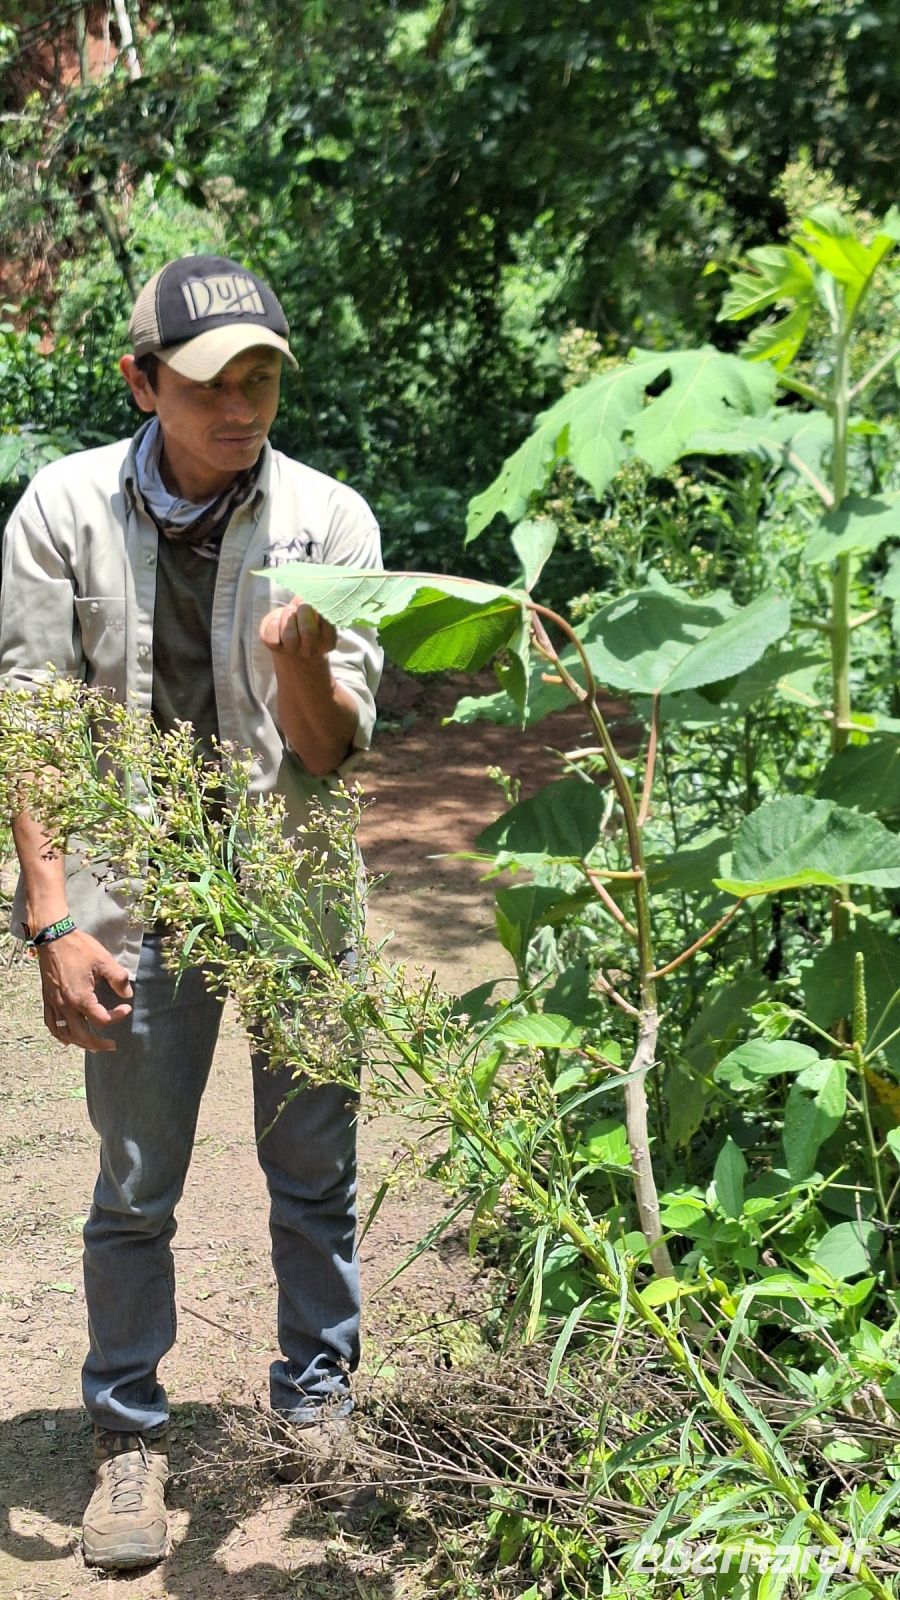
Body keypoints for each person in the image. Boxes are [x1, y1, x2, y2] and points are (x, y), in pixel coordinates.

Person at [0, 255, 383, 1571]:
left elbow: (334, 757)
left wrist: (306, 664)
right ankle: (126, 1437)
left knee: (316, 1174)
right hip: (131, 894)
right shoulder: (59, 510)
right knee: (131, 1183)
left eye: (264, 377)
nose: (244, 406)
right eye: (216, 382)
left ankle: (318, 1413)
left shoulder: (332, 522)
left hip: (292, 894)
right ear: (142, 380)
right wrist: (51, 921)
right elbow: (34, 721)